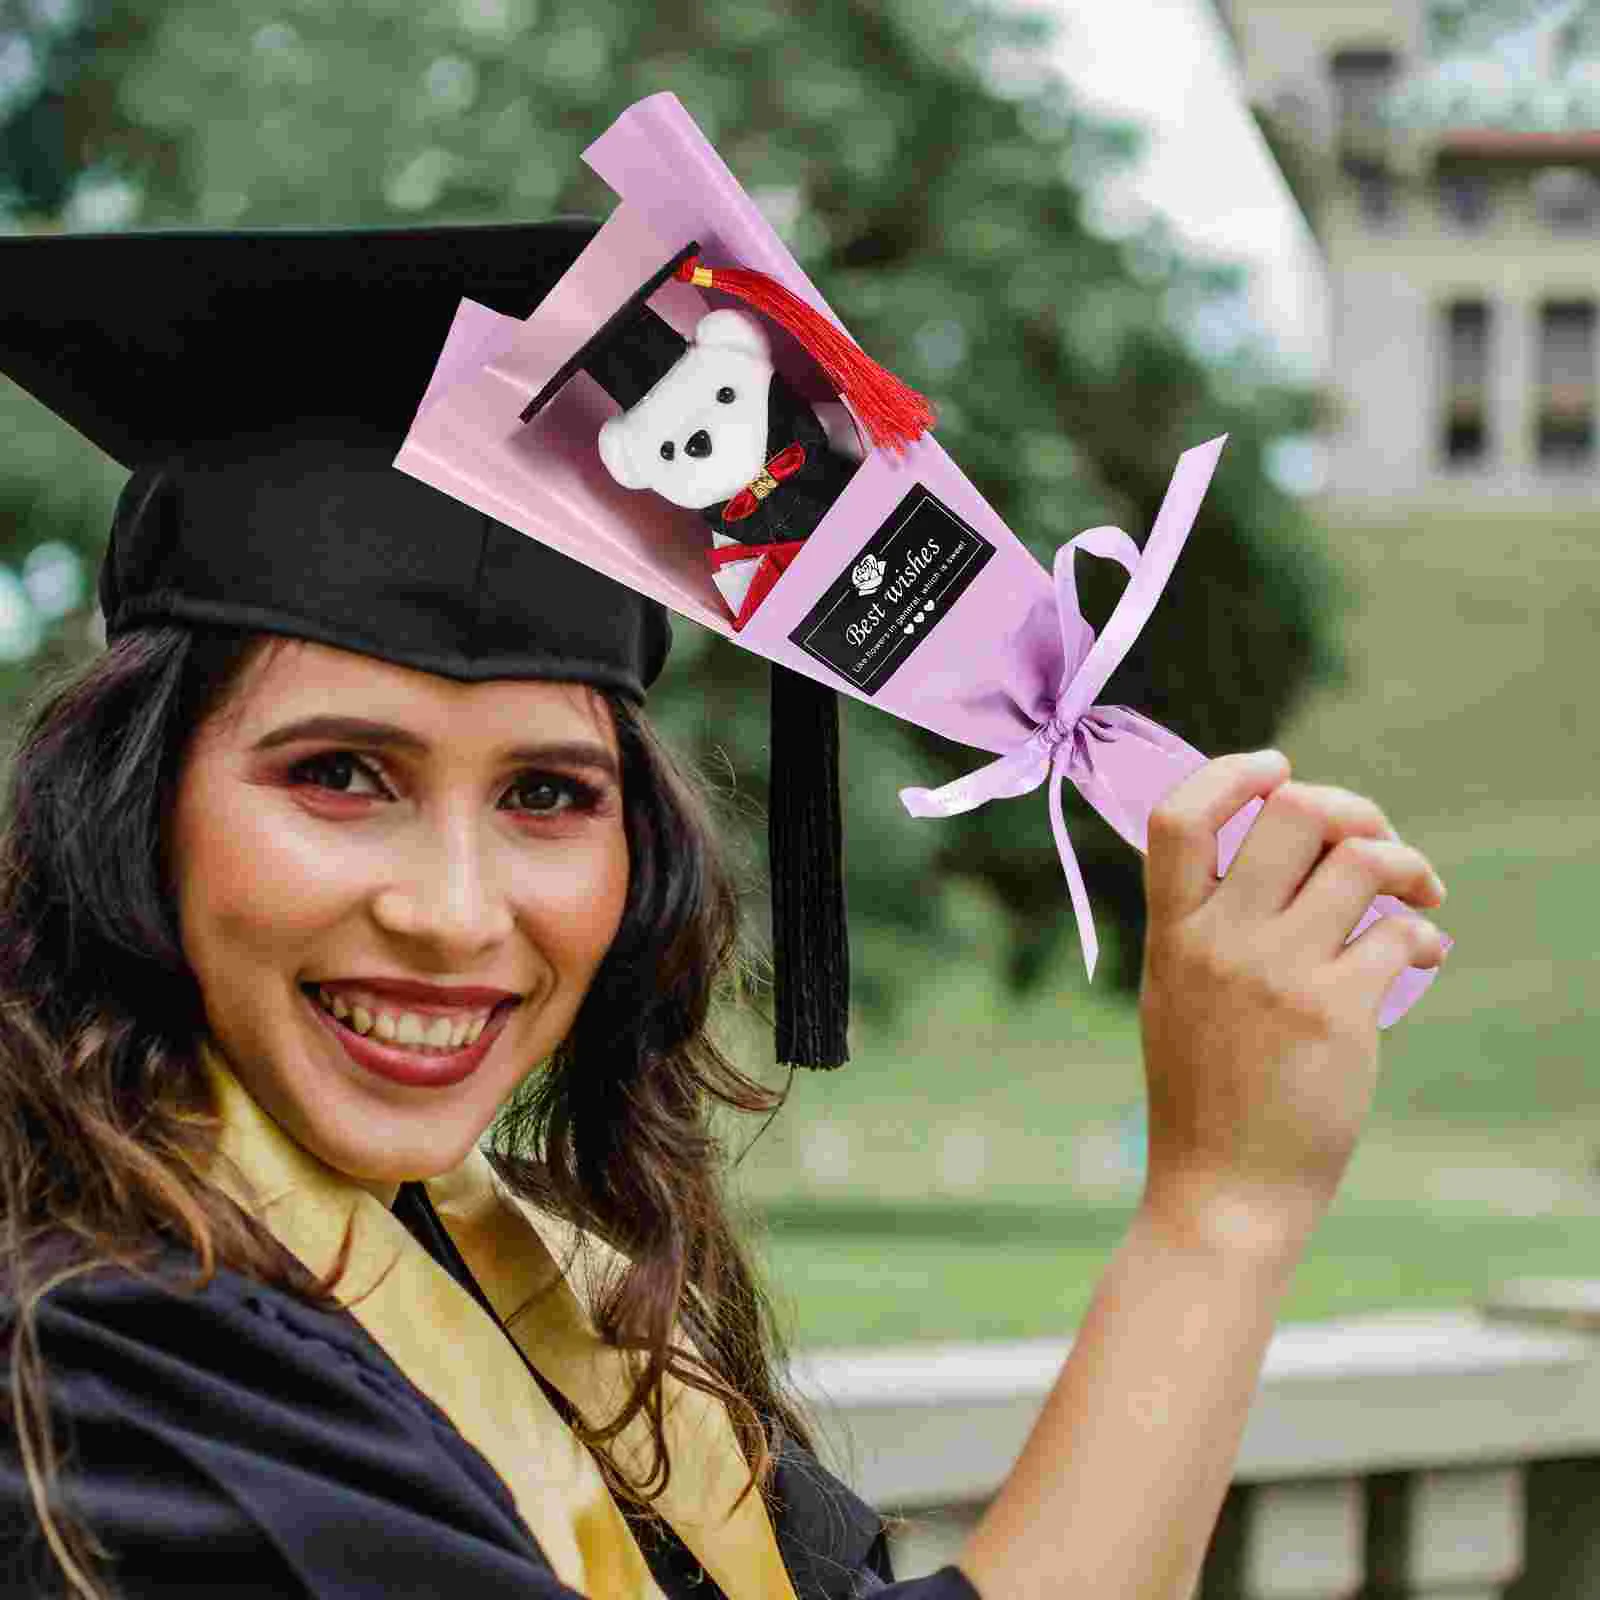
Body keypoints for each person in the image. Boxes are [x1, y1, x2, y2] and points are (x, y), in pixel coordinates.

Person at [0, 220, 1450, 1600]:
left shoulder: (527, 1276)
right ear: (131, 809)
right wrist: (1220, 1207)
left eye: (549, 795)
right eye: (337, 774)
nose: (454, 912)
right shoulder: (96, 1367)